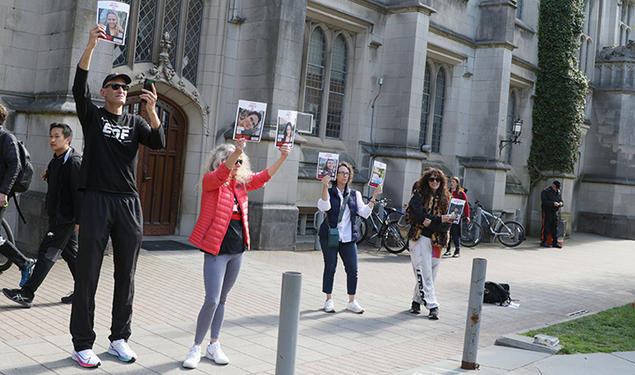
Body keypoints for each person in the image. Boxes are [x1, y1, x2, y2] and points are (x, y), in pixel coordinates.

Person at [69, 25, 165, 368]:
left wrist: (152, 111)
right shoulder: (93, 116)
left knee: (126, 274)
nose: (121, 90)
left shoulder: (137, 123)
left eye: (125, 87)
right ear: (104, 91)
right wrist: (92, 45)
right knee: (88, 273)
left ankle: (119, 338)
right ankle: (82, 343)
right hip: (96, 199)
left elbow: (158, 142)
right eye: (115, 86)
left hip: (127, 202)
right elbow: (78, 87)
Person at [182, 139, 291, 369]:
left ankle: (214, 344)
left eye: (240, 161)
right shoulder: (211, 181)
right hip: (216, 250)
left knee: (222, 299)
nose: (236, 164)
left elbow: (263, 177)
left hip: (237, 250)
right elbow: (222, 174)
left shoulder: (241, 185)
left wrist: (282, 157)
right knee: (211, 299)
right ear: (219, 161)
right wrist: (237, 151)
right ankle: (196, 347)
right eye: (232, 159)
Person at [2, 123, 81, 307]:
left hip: (65, 219)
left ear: (67, 139)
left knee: (46, 253)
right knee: (72, 256)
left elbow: (79, 194)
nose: (52, 140)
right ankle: (84, 292)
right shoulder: (57, 159)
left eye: (57, 136)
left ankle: (27, 293)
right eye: (51, 136)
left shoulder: (74, 162)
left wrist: (80, 220)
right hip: (57, 216)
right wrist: (50, 174)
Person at [317, 162, 381, 314]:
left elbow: (365, 213)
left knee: (353, 269)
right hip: (330, 236)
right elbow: (324, 207)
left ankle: (351, 301)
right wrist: (325, 186)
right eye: (341, 173)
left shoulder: (355, 194)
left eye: (347, 173)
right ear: (335, 175)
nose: (344, 176)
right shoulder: (330, 191)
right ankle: (328, 300)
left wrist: (374, 196)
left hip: (348, 237)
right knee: (330, 267)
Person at [406, 168, 451, 320]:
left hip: (437, 240)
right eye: (431, 179)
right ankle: (432, 305)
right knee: (424, 272)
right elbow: (416, 215)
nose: (434, 182)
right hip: (419, 239)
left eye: (437, 180)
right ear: (427, 180)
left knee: (430, 274)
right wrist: (438, 219)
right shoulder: (419, 194)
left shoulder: (446, 198)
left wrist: (431, 222)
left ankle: (416, 301)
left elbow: (448, 223)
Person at [0, 103, 35, 287]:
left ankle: (24, 262)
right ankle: (24, 262)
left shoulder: (6, 138)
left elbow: (15, 166)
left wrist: (3, 192)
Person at [444, 176, 470, 258]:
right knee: (448, 233)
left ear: (457, 184)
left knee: (455, 234)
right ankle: (448, 250)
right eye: (450, 182)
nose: (451, 183)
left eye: (453, 182)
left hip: (456, 217)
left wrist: (468, 216)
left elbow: (466, 205)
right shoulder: (447, 192)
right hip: (447, 216)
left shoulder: (461, 194)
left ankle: (457, 250)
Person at [540, 180, 563, 248]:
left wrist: (561, 203)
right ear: (553, 185)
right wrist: (553, 203)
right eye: (556, 187)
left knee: (554, 227)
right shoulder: (545, 191)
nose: (557, 189)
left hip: (554, 211)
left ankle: (555, 242)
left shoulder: (558, 192)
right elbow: (544, 201)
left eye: (557, 188)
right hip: (547, 211)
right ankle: (543, 241)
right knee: (546, 226)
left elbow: (560, 200)